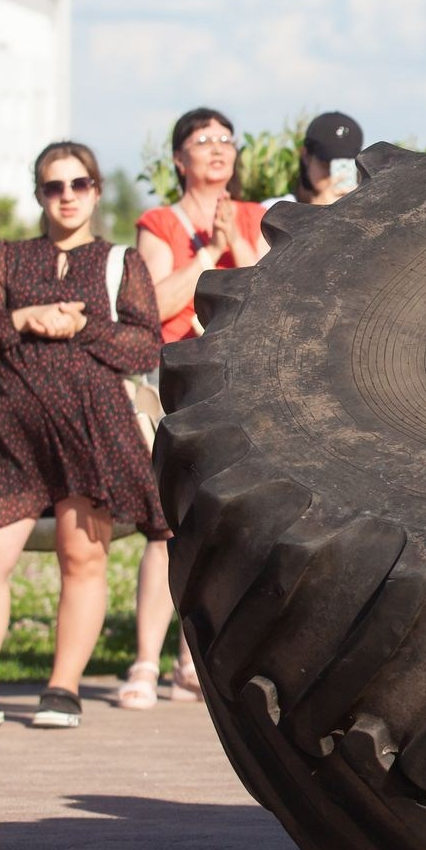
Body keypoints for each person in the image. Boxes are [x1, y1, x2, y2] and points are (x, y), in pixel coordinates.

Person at [0, 142, 164, 730]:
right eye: (53, 186)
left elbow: (147, 345)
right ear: (38, 193)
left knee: (81, 557)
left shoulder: (120, 262)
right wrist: (23, 319)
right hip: (11, 429)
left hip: (91, 429)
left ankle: (63, 687)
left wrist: (86, 329)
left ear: (96, 191)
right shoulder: (6, 258)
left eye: (78, 184)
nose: (66, 196)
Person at [131, 106, 271, 705]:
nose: (217, 148)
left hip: (238, 388)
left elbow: (269, 298)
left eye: (225, 139)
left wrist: (236, 243)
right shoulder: (159, 222)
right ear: (178, 158)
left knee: (227, 525)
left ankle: (201, 661)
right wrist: (206, 256)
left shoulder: (258, 215)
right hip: (176, 391)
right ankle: (144, 660)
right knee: (169, 524)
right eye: (201, 139)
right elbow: (153, 305)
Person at [282, 110, 365, 207]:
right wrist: (317, 212)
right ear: (306, 156)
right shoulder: (274, 211)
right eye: (326, 164)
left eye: (345, 165)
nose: (335, 175)